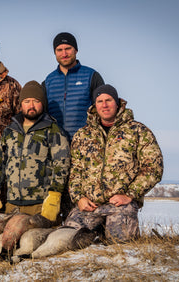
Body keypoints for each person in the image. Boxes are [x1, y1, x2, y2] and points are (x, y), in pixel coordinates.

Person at [64, 84, 164, 242]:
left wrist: (130, 194)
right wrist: (79, 198)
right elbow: (75, 171)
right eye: (100, 101)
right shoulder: (82, 135)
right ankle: (96, 234)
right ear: (94, 106)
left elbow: (154, 167)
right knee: (67, 241)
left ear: (117, 103)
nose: (104, 105)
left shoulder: (137, 131)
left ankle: (107, 234)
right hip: (90, 205)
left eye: (108, 100)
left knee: (120, 247)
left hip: (120, 206)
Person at [0, 81, 71, 223]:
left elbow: (62, 163)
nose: (31, 106)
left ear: (43, 103)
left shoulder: (52, 130)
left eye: (36, 101)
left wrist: (55, 195)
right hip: (12, 205)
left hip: (41, 205)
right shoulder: (9, 131)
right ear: (21, 104)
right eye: (27, 101)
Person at [44, 32, 105, 140]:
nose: (64, 54)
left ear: (75, 50)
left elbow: (103, 110)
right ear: (54, 52)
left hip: (86, 144)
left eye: (68, 48)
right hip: (56, 146)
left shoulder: (91, 76)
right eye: (59, 50)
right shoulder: (48, 81)